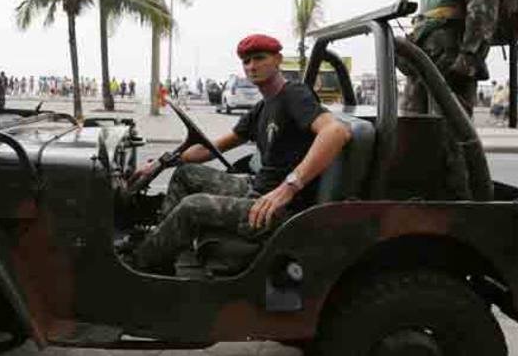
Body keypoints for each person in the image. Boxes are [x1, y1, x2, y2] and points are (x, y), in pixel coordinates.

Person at [125, 34, 352, 275]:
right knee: (186, 174)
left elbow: (336, 132)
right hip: (258, 191)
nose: (252, 66)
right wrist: (161, 163)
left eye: (259, 58)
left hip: (280, 208)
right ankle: (161, 249)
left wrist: (289, 187)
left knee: (193, 207)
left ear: (278, 60)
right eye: (246, 61)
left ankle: (139, 264)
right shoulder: (264, 106)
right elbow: (211, 148)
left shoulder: (294, 95)